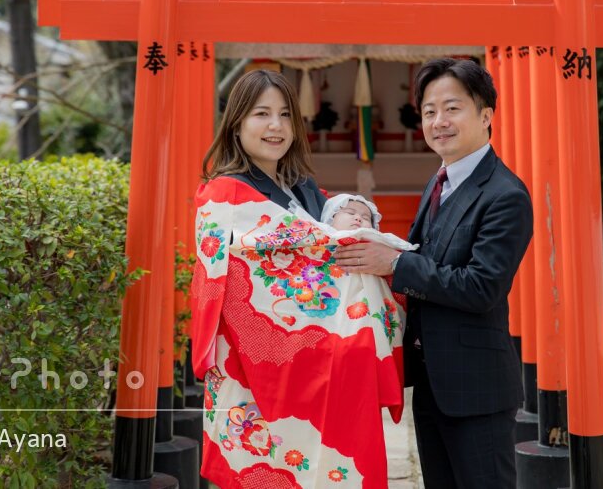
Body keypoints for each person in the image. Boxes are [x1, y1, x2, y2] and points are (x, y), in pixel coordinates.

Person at [188, 69, 404, 489]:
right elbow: (243, 281)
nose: (276, 126)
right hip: (256, 364)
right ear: (236, 123)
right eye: (262, 114)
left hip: (323, 358)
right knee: (267, 466)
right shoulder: (223, 194)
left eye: (286, 114)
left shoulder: (301, 187)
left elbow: (323, 248)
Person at [338, 57, 533, 488]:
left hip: (477, 390)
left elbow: (481, 286)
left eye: (452, 108)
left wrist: (394, 263)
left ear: (486, 115)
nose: (438, 121)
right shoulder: (439, 181)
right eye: (429, 111)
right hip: (432, 384)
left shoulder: (505, 195)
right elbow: (425, 258)